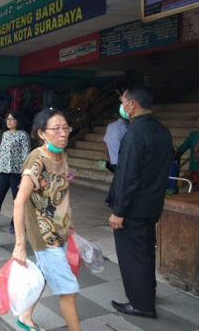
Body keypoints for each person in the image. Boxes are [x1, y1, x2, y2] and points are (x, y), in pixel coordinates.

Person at [108, 85, 173, 319]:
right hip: (152, 204)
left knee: (132, 256)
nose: (122, 106)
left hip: (133, 208)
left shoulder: (135, 133)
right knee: (146, 252)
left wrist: (119, 210)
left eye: (123, 101)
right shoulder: (161, 130)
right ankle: (148, 293)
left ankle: (141, 304)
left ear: (132, 104)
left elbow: (128, 176)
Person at [12, 108, 80, 331]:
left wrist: (68, 220)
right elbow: (19, 201)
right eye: (56, 129)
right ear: (41, 133)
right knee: (68, 290)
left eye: (66, 128)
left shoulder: (62, 154)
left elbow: (61, 190)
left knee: (42, 274)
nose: (63, 133)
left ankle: (25, 316)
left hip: (60, 229)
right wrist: (20, 244)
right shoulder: (36, 159)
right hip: (44, 235)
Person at [0, 110, 30, 233]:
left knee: (17, 200)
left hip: (17, 173)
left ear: (18, 121)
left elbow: (26, 155)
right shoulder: (6, 134)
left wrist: (25, 174)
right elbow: (1, 152)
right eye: (8, 119)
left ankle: (15, 224)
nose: (9, 121)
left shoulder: (23, 135)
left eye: (12, 119)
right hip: (3, 171)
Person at [174, 114, 199, 192]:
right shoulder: (193, 135)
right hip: (196, 169)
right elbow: (182, 148)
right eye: (198, 121)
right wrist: (172, 156)